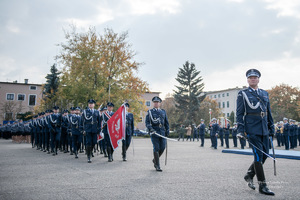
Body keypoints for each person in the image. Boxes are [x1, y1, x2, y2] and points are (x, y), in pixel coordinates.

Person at [236, 69, 275, 195]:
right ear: (247, 80)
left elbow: (268, 111)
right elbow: (239, 113)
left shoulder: (264, 93)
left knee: (265, 155)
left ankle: (249, 174)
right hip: (251, 128)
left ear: (258, 79)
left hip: (264, 128)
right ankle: (262, 186)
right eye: (250, 77)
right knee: (258, 155)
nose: (253, 79)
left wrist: (271, 126)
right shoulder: (243, 94)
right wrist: (240, 130)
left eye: (255, 77)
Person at [145, 96, 169, 172]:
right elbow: (147, 122)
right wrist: (150, 128)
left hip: (162, 132)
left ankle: (154, 159)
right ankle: (157, 165)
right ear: (153, 103)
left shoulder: (163, 112)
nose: (156, 103)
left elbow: (166, 122)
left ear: (160, 103)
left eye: (158, 102)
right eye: (155, 102)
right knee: (156, 148)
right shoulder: (150, 112)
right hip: (154, 132)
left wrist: (167, 130)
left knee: (162, 148)